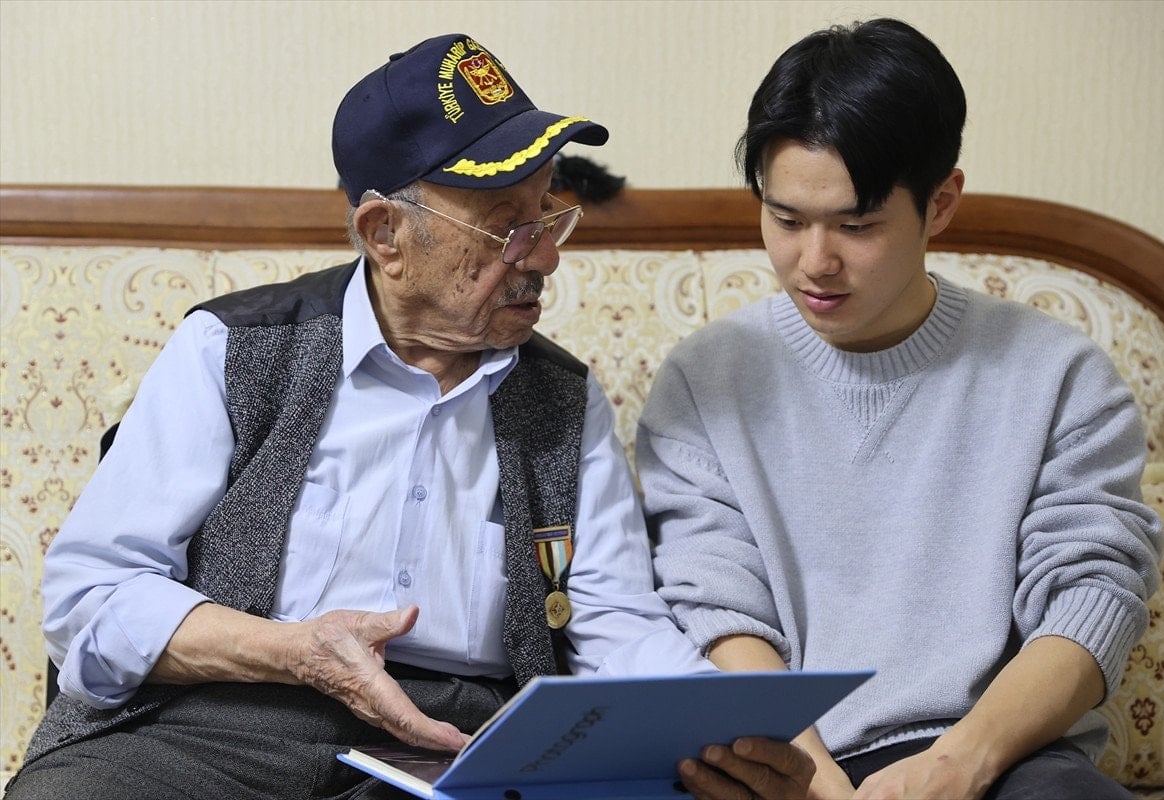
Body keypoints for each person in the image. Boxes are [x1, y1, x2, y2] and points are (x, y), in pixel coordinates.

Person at [6, 33, 814, 800]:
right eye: (507, 228)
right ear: (385, 234)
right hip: (212, 721)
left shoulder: (565, 401)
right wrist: (295, 651)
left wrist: (724, 727)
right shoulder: (232, 349)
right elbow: (89, 601)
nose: (545, 255)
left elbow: (615, 626)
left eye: (547, 213)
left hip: (457, 741)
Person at [637, 18, 1163, 800]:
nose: (815, 262)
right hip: (779, 754)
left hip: (995, 758)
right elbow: (715, 603)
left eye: (857, 226)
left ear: (940, 203)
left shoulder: (1058, 375)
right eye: (786, 220)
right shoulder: (705, 379)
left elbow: (1092, 597)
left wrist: (962, 763)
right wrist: (811, 779)